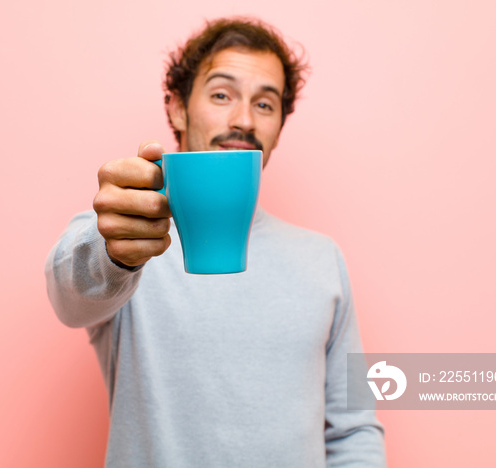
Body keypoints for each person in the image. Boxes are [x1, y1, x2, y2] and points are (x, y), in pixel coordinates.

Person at [45, 17, 386, 468]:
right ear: (177, 109)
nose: (243, 120)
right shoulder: (127, 236)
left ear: (280, 127)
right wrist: (112, 253)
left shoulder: (322, 259)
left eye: (265, 104)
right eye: (221, 95)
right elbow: (70, 297)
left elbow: (354, 428)